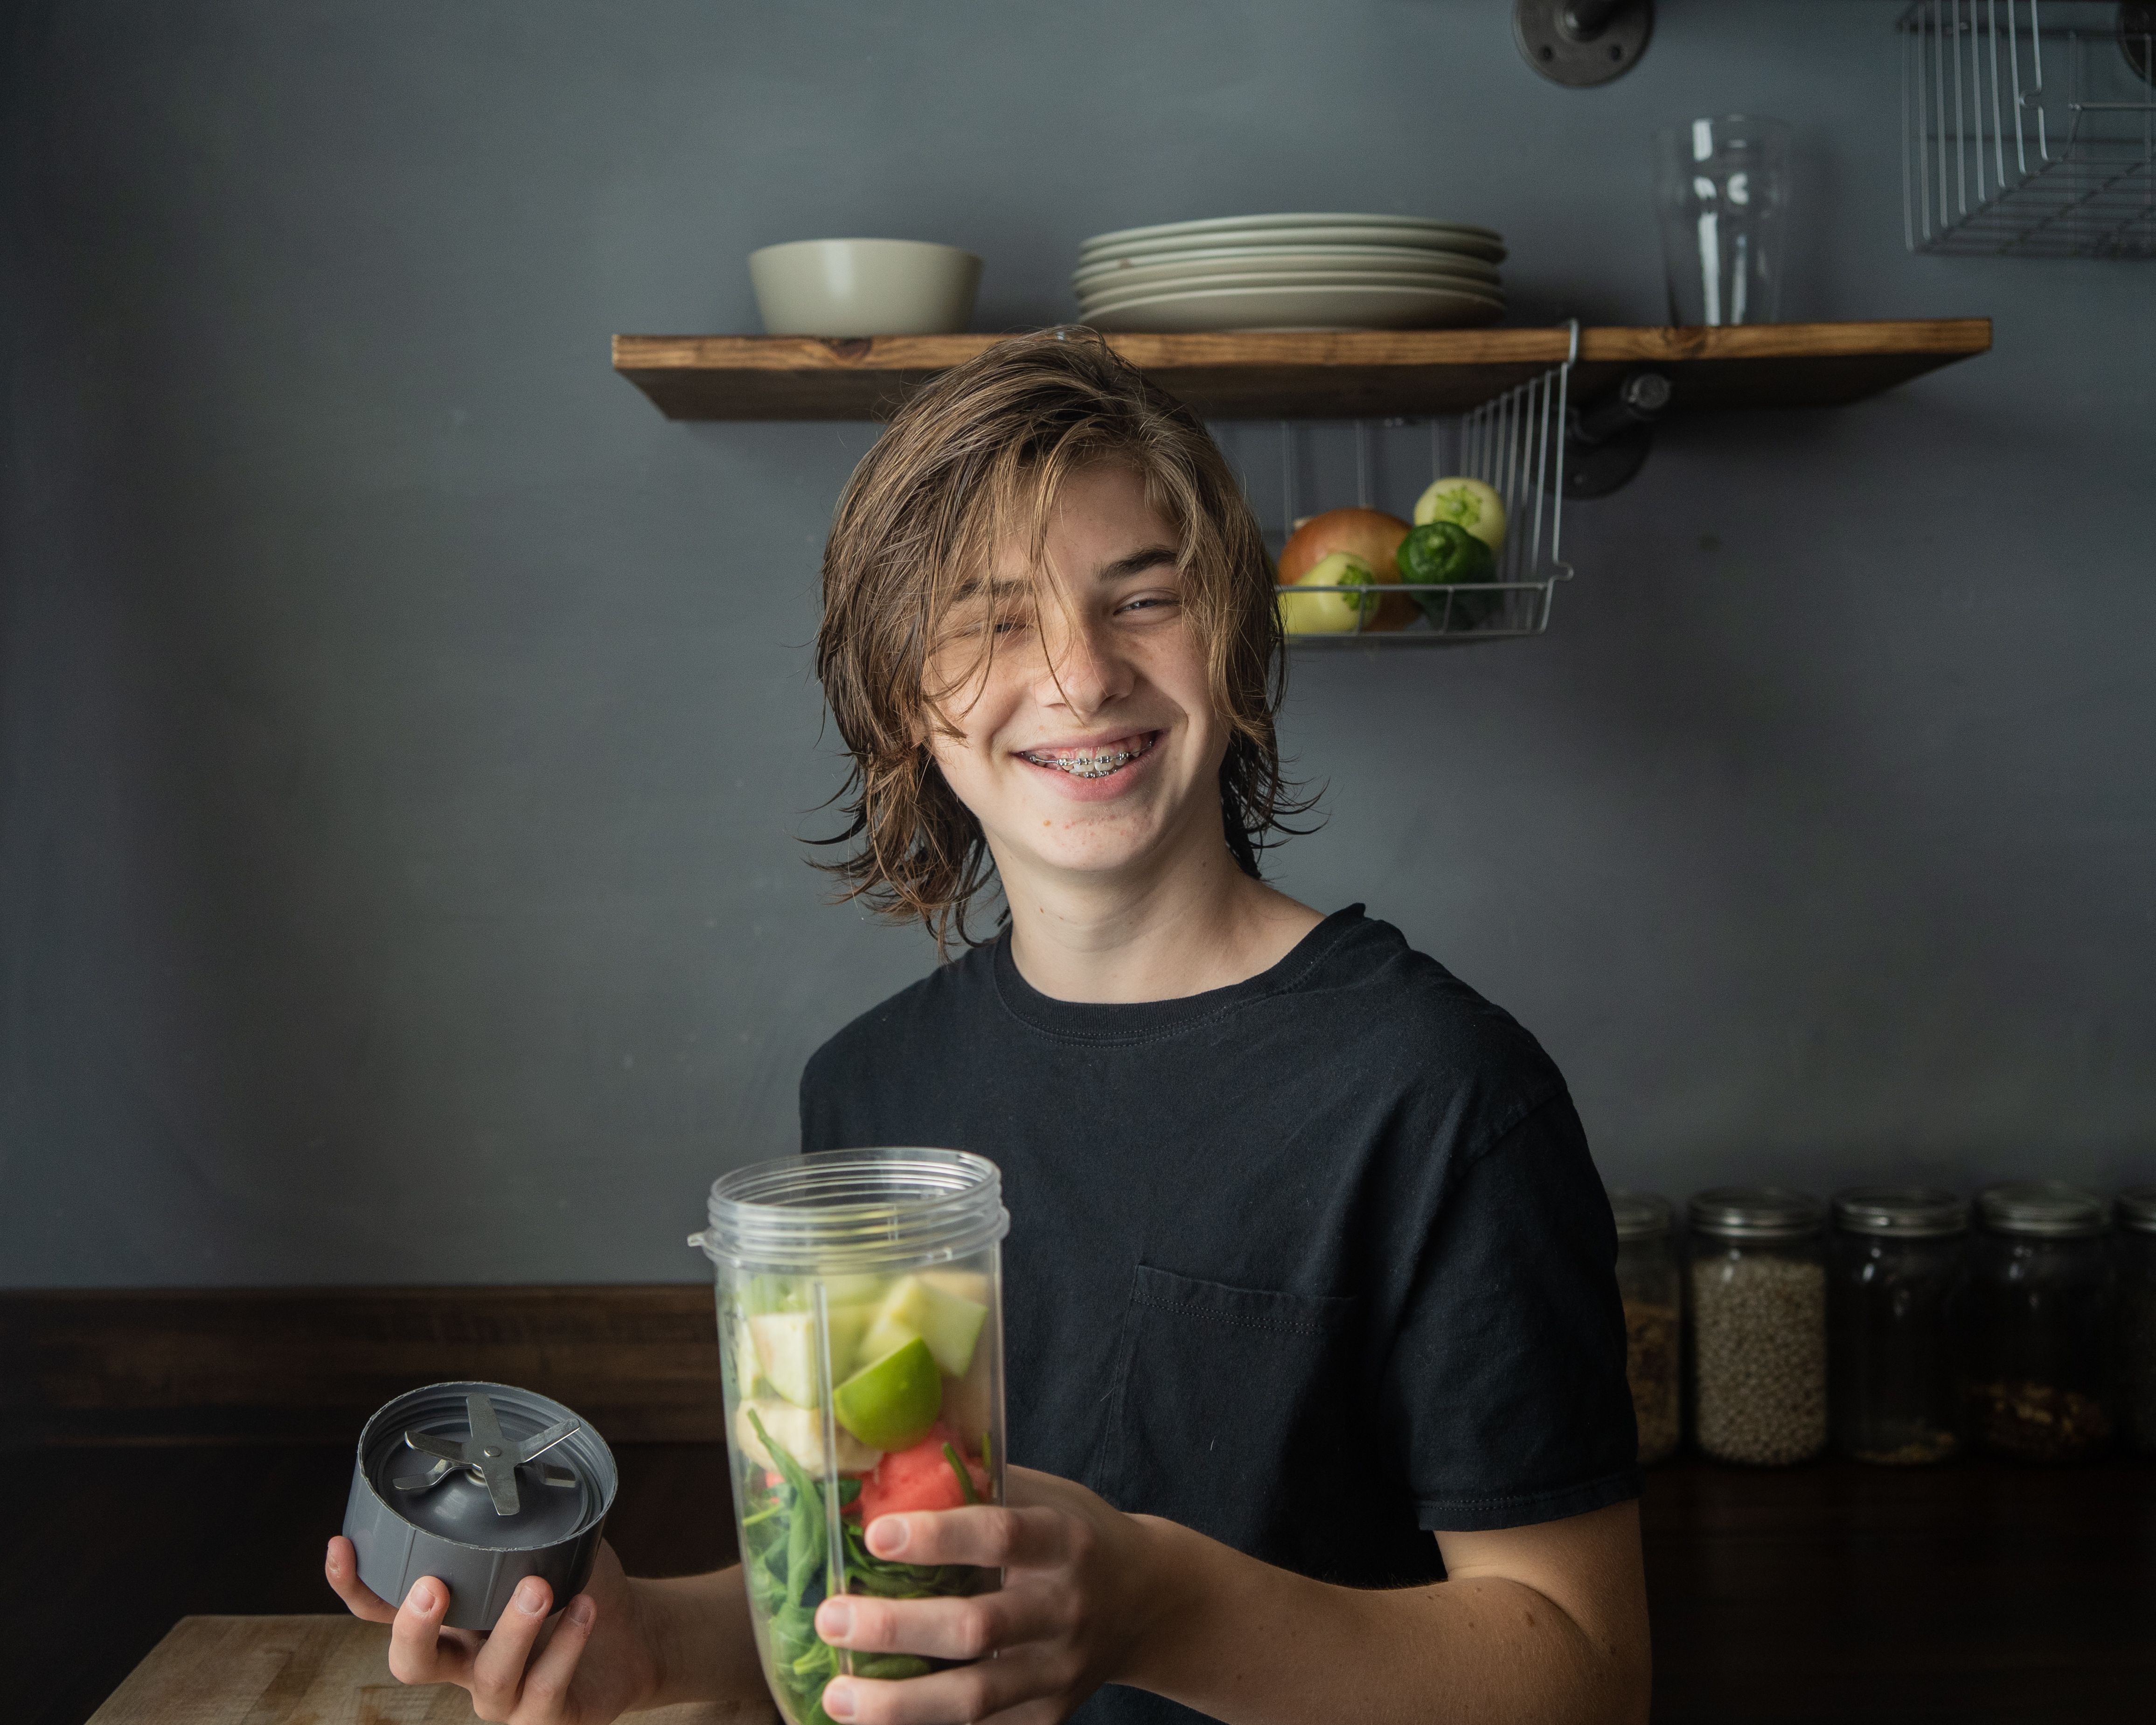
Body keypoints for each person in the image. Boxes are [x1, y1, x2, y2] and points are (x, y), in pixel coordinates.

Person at [327, 329, 1650, 1725]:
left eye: (1144, 600)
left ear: (1236, 645)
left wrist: (1161, 1604)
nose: (1081, 677)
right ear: (907, 695)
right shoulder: (873, 1095)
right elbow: (883, 1585)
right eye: (995, 619)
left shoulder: (1444, 1093)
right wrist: (647, 1639)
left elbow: (1585, 1675)